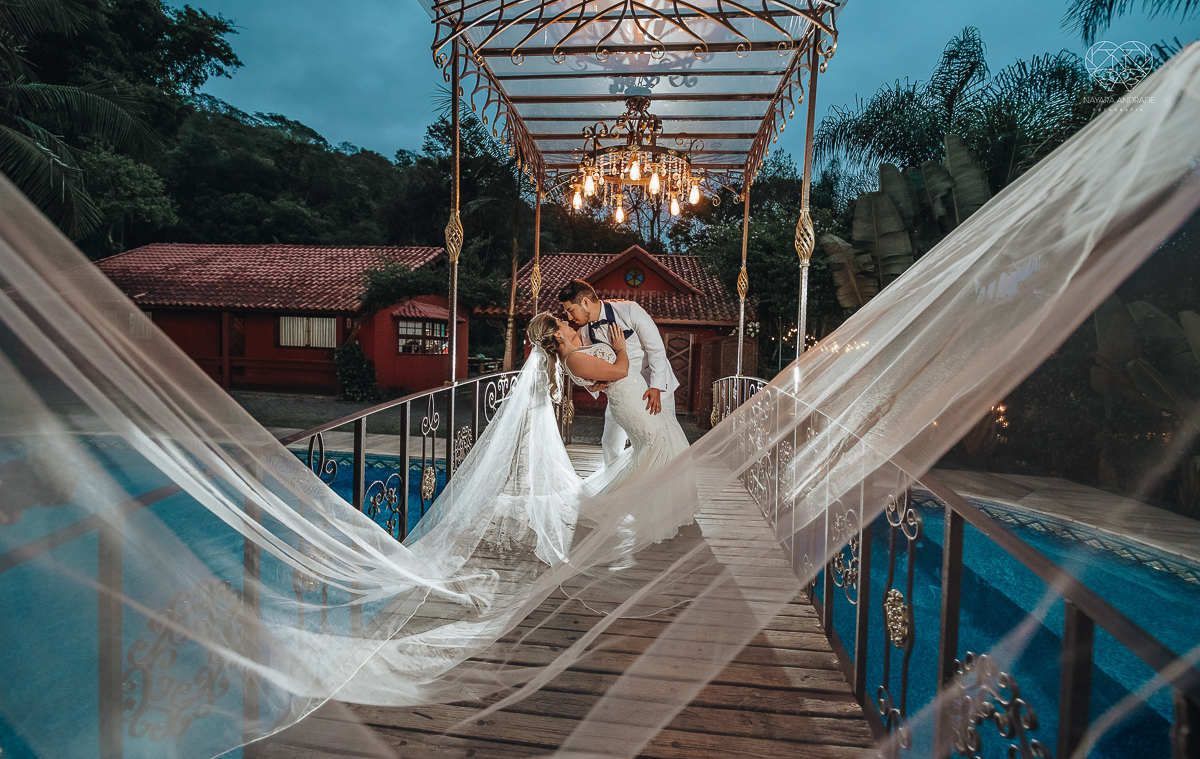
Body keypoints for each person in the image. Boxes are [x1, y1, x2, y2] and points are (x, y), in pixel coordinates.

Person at [526, 312, 691, 497]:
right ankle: (640, 500)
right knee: (657, 443)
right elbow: (621, 371)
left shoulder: (574, 354)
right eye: (559, 321)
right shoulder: (573, 359)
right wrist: (621, 349)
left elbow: (598, 373)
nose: (565, 320)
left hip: (634, 396)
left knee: (658, 444)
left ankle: (657, 497)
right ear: (558, 334)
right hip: (630, 402)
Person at [556, 279, 681, 468]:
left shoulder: (630, 310)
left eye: (570, 310)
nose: (569, 316)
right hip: (623, 390)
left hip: (654, 387)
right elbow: (592, 366)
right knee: (610, 441)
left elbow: (656, 349)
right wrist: (594, 386)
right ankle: (618, 482)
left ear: (585, 302)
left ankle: (666, 479)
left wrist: (656, 387)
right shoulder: (586, 332)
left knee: (665, 438)